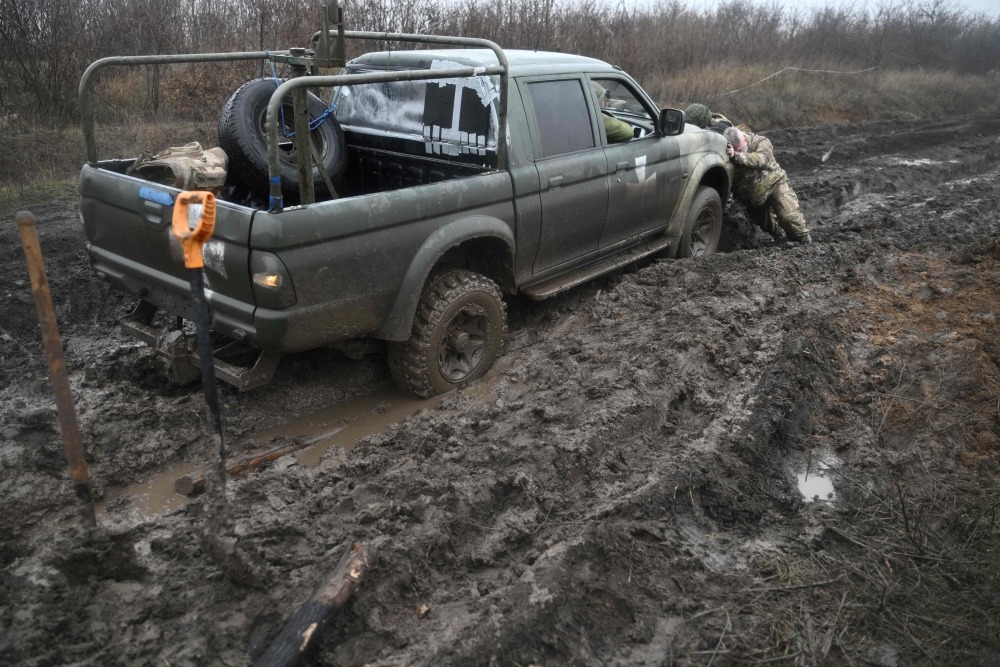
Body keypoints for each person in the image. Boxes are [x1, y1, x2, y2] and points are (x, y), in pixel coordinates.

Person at [724, 126, 811, 244]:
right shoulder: (726, 152)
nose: (740, 151)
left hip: (775, 184)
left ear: (744, 138)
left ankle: (805, 243)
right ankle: (782, 241)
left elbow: (762, 160)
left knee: (790, 219)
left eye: (741, 149)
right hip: (752, 197)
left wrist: (737, 156)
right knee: (771, 228)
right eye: (737, 150)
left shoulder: (760, 142)